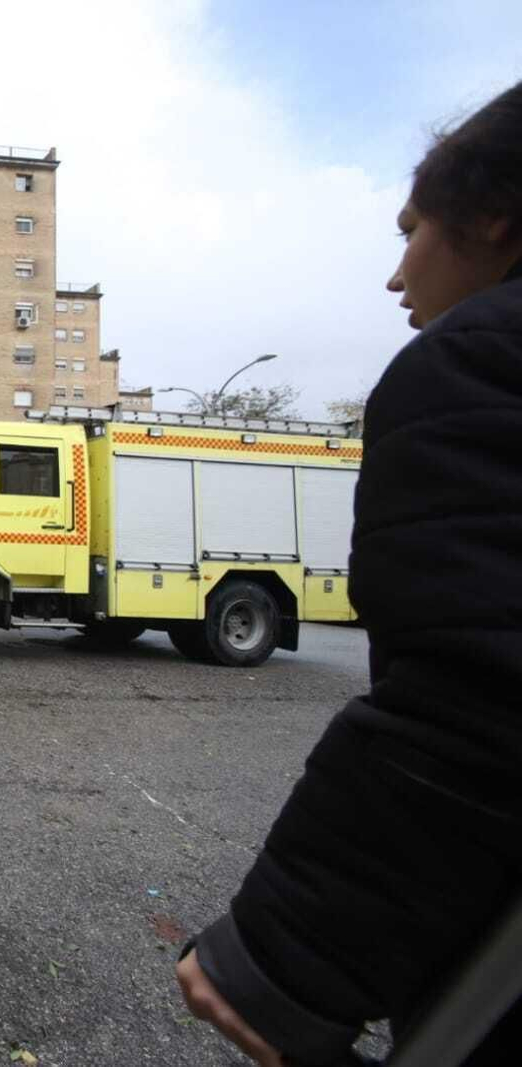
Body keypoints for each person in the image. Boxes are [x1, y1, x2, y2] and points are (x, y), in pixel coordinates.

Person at [176, 80, 522, 1066]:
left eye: (411, 230)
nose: (393, 274)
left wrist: (283, 960)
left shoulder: (479, 362)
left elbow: (476, 697)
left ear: (493, 217)